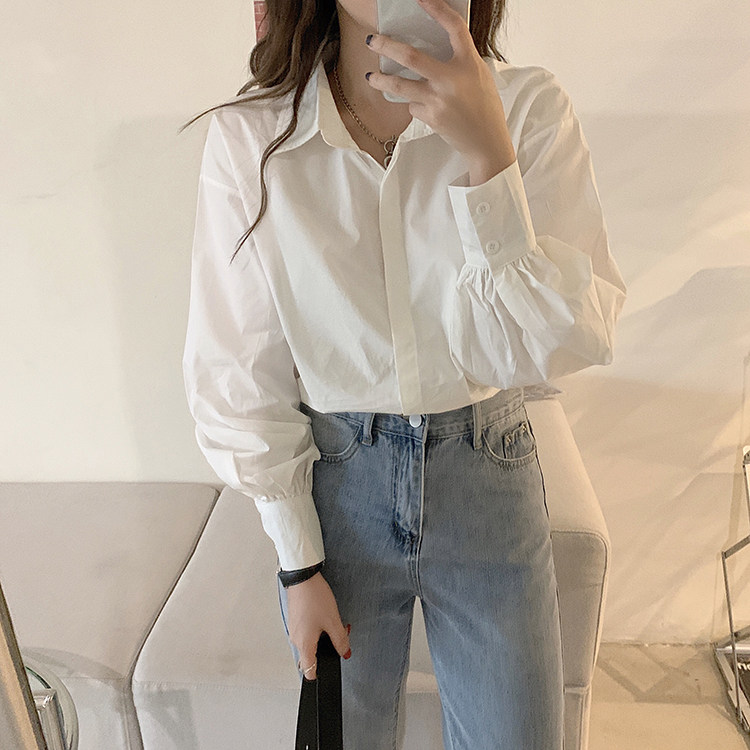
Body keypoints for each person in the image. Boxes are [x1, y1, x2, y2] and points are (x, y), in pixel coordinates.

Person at [181, 0, 627, 747]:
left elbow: (560, 345)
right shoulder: (255, 136)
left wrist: (488, 158)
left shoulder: (527, 109)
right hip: (338, 488)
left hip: (487, 470)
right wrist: (297, 565)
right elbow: (237, 367)